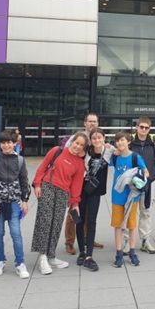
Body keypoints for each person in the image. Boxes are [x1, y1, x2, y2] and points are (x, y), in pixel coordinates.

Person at [31, 132, 87, 275]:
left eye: (81, 145)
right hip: (48, 187)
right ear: (72, 141)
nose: (78, 146)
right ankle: (42, 257)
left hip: (63, 194)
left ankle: (51, 256)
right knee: (45, 222)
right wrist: (37, 184)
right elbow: (42, 167)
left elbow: (76, 185)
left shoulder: (80, 164)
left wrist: (75, 204)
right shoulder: (57, 151)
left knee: (56, 224)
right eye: (77, 142)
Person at [0, 130, 31, 279]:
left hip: (14, 203)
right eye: (3, 142)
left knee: (16, 233)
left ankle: (20, 263)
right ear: (0, 144)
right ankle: (0, 260)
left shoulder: (20, 161)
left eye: (9, 142)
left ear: (14, 143)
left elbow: (24, 182)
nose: (6, 145)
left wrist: (25, 200)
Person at [64, 112, 104, 255]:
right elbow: (67, 153)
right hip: (76, 180)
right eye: (90, 121)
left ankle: (88, 239)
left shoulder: (98, 138)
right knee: (73, 212)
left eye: (95, 121)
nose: (92, 123)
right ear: (85, 123)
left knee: (89, 213)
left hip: (90, 183)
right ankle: (69, 242)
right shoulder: (78, 138)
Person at [109, 131, 149, 268]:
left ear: (128, 142)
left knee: (132, 226)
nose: (120, 143)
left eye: (122, 140)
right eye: (117, 141)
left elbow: (146, 172)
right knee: (118, 225)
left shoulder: (135, 157)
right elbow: (103, 152)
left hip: (132, 197)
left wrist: (138, 179)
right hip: (117, 196)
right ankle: (119, 253)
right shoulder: (114, 158)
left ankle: (132, 252)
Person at [76, 129, 110, 272]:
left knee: (91, 221)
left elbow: (124, 151)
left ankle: (89, 255)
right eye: (94, 138)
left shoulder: (109, 151)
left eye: (99, 138)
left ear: (104, 138)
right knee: (79, 220)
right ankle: (82, 252)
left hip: (95, 192)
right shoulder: (85, 152)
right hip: (80, 190)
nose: (97, 140)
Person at [130, 117, 155, 254]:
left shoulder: (154, 144)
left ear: (149, 129)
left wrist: (153, 175)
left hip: (148, 183)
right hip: (132, 184)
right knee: (130, 212)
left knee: (146, 212)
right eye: (141, 127)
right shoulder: (130, 143)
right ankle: (127, 241)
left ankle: (145, 241)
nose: (143, 130)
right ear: (137, 127)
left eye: (146, 127)